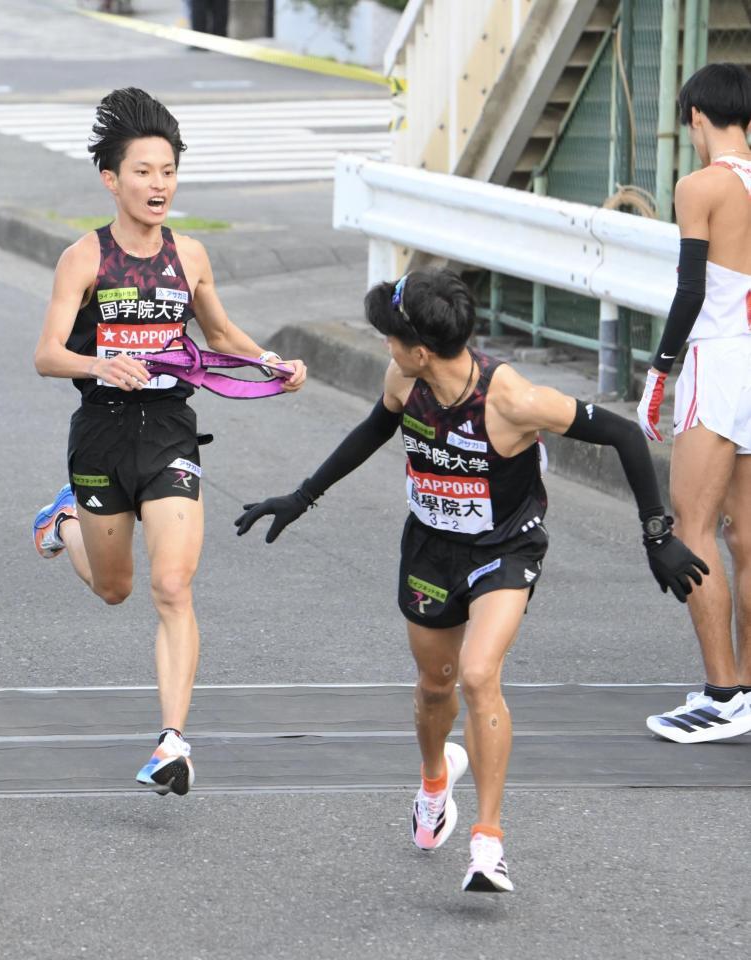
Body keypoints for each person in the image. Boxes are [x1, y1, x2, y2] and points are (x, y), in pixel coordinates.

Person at [236, 268, 706, 892]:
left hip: (504, 548)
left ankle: (488, 844)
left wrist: (656, 534)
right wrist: (302, 497)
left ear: (422, 348)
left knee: (481, 675)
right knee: (437, 686)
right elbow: (378, 426)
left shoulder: (511, 399)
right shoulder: (405, 377)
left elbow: (621, 433)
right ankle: (435, 781)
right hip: (431, 550)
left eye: (391, 336)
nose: (385, 345)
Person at [31, 87, 306, 796]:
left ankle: (172, 743)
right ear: (111, 179)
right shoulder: (82, 259)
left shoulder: (188, 255)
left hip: (170, 433)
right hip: (100, 432)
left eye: (167, 171)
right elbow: (46, 354)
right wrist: (99, 363)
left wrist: (269, 362)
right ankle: (64, 519)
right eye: (144, 172)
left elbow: (219, 336)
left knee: (172, 583)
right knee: (117, 589)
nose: (158, 185)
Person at [637, 63, 751, 744]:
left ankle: (720, 695)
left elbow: (688, 292)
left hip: (716, 357)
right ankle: (746, 689)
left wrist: (658, 371)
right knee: (748, 540)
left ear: (695, 119)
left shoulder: (699, 185)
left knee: (693, 527)